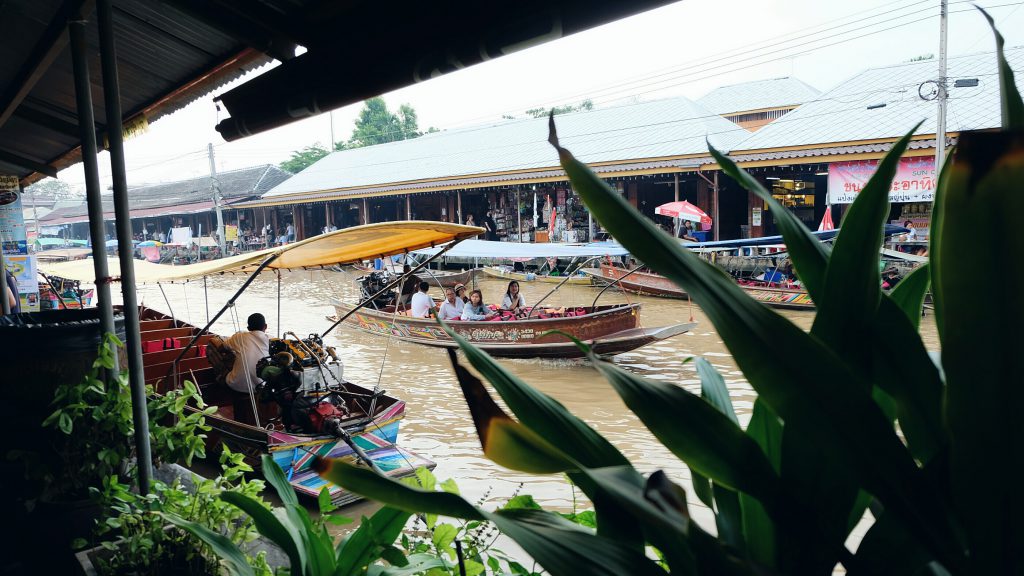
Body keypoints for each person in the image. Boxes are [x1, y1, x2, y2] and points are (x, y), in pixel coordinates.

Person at [225, 313, 270, 425]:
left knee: (224, 359)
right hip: (261, 386)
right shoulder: (268, 340)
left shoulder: (240, 337)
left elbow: (224, 346)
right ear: (265, 327)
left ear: (248, 328)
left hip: (237, 386)